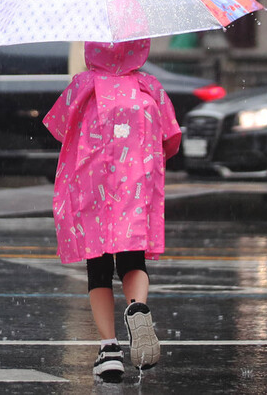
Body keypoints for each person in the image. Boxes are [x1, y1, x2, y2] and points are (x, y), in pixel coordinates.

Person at [43, 39, 181, 382]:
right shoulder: (150, 86)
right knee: (134, 260)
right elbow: (172, 138)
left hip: (94, 188)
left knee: (98, 266)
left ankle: (108, 350)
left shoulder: (84, 86)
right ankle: (136, 306)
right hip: (135, 189)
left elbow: (58, 127)